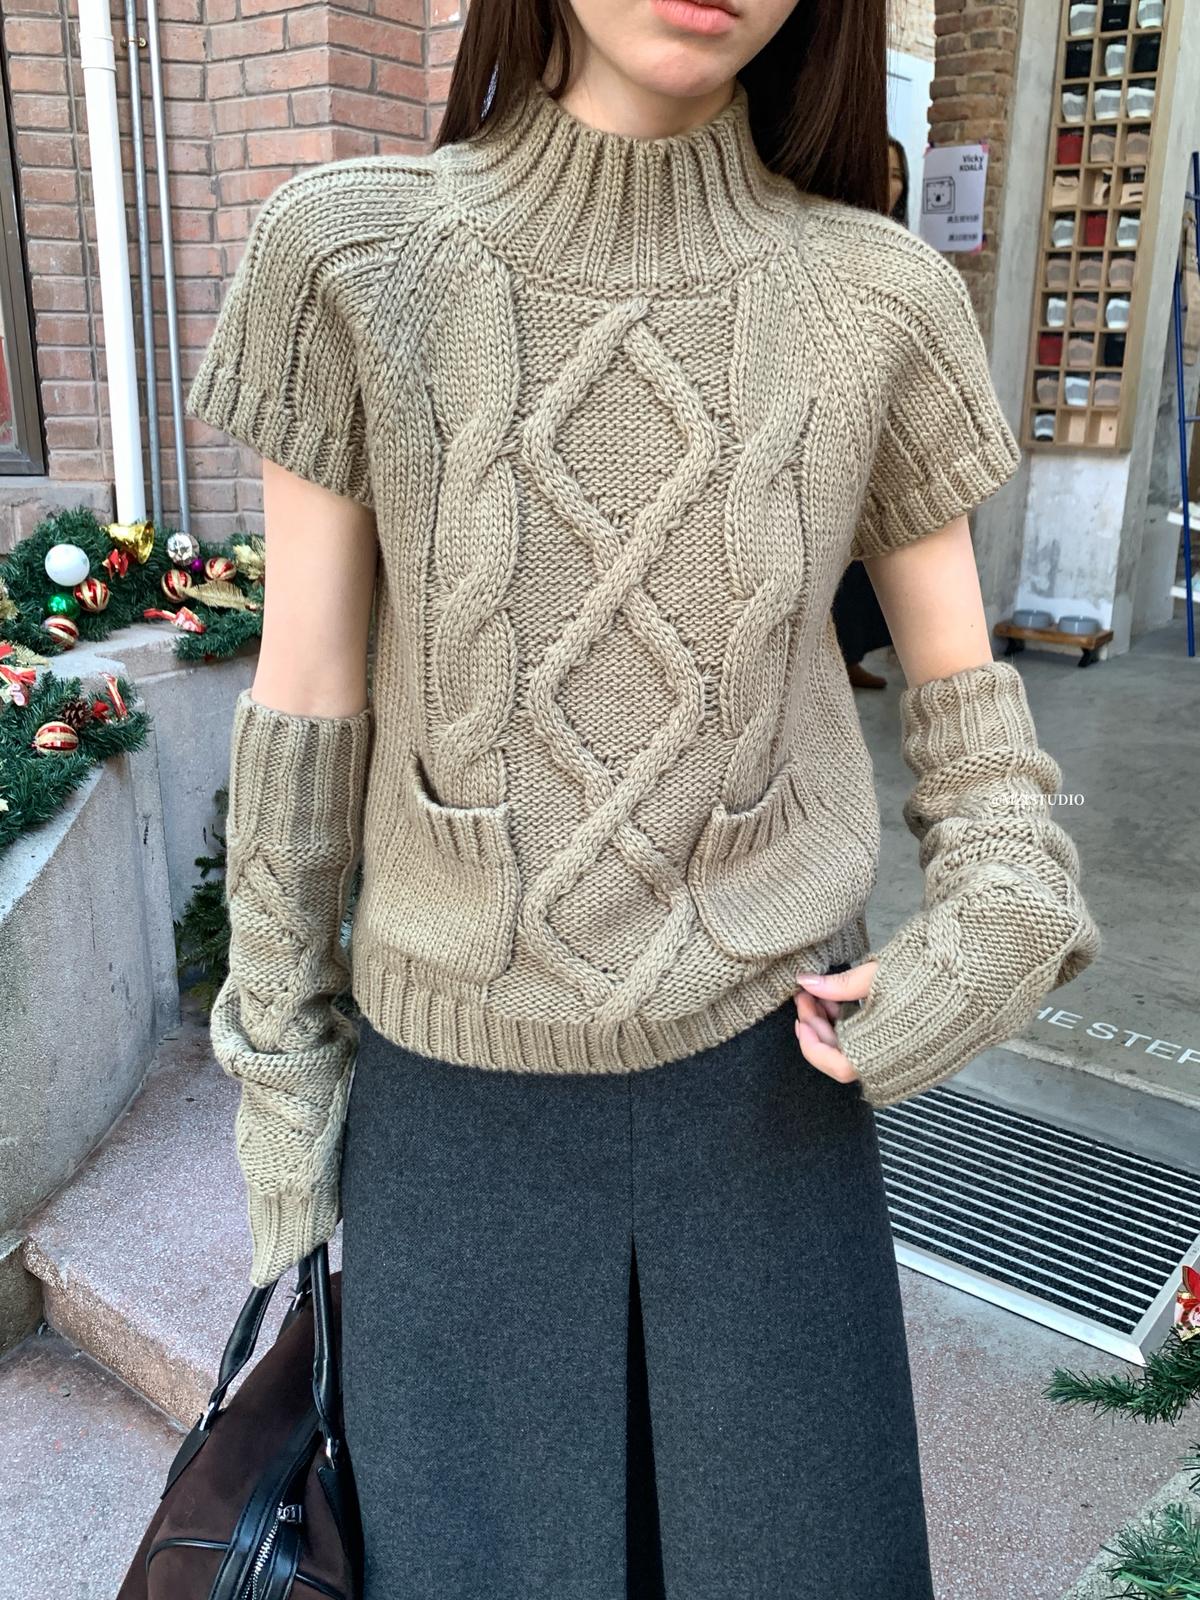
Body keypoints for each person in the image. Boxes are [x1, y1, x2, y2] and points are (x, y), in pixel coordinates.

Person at [185, 1, 1101, 1595]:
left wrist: (1006, 913)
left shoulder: (879, 295)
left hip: (772, 1099)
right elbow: (308, 704)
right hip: (452, 1127)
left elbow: (971, 719)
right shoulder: (346, 256)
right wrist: (282, 1075)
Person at [833, 132, 912, 689]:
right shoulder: (828, 245)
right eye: (882, 170)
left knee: (871, 561)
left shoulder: (907, 260)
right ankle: (835, 655)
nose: (890, 183)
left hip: (881, 428)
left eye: (899, 174)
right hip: (837, 420)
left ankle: (851, 653)